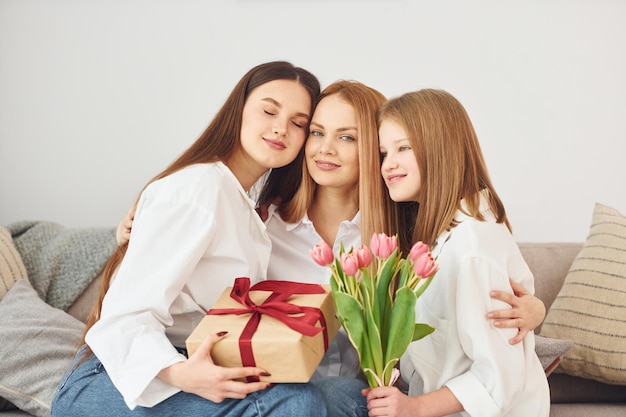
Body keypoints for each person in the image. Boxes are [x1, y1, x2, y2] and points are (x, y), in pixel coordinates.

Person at [115, 81, 547, 381]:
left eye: (347, 137)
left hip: (369, 395)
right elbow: (194, 272)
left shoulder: (406, 232)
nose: (324, 148)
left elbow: (485, 284)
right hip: (283, 389)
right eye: (318, 132)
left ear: (375, 149)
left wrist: (536, 309)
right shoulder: (262, 223)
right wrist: (138, 226)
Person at [51, 61, 328, 417]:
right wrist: (182, 374)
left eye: (298, 123)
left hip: (188, 360)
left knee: (343, 395)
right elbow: (122, 319)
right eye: (269, 110)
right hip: (110, 379)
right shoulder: (198, 189)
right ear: (239, 111)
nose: (280, 128)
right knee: (297, 403)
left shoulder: (251, 206)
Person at [360, 89, 550, 416]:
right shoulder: (436, 238)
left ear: (441, 148)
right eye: (383, 153)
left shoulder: (473, 245)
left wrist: (415, 408)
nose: (388, 165)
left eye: (403, 147)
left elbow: (498, 375)